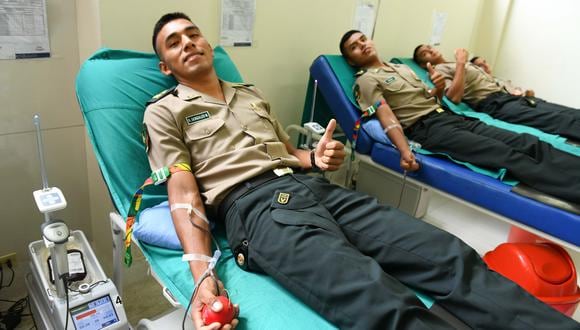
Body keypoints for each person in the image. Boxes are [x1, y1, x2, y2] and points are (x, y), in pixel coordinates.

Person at [144, 13, 580, 329]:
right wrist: (201, 273)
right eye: (174, 42)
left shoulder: (249, 93)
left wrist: (315, 158)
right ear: (166, 66)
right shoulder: (164, 112)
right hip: (256, 208)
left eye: (193, 34)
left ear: (205, 43)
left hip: (318, 190)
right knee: (378, 299)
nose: (188, 43)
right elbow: (183, 193)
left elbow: (287, 151)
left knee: (450, 257)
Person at [341, 30, 580, 204]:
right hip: (428, 129)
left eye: (363, 39)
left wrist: (437, 88)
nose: (362, 45)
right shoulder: (365, 80)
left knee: (527, 142)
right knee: (506, 155)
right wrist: (405, 151)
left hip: (451, 117)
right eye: (354, 46)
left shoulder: (402, 69)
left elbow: (433, 99)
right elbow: (386, 116)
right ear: (351, 60)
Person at [413, 45, 580, 141]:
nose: (430, 50)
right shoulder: (438, 71)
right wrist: (461, 63)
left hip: (508, 97)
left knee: (565, 112)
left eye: (429, 47)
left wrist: (514, 90)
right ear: (423, 63)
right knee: (559, 120)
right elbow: (454, 97)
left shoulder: (456, 64)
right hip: (495, 104)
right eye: (425, 53)